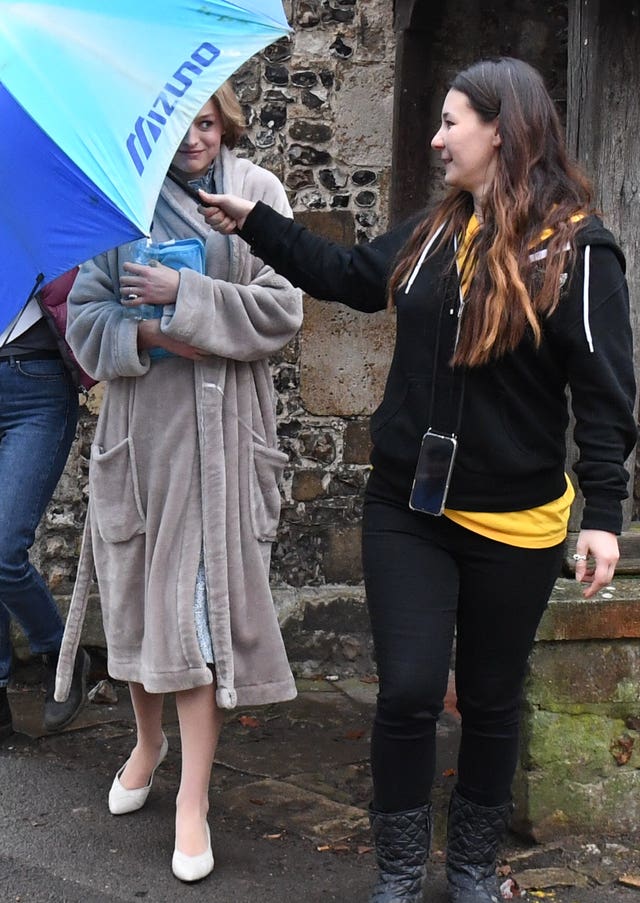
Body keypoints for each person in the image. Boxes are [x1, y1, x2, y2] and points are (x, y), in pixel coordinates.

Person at [198, 58, 637, 903]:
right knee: (404, 689)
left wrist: (604, 512)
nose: (435, 139)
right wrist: (256, 222)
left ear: (501, 129)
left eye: (450, 123)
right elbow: (353, 278)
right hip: (409, 504)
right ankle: (399, 872)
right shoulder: (438, 229)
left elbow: (606, 392)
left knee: (490, 695)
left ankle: (470, 867)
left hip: (517, 520)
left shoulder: (581, 251)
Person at [53, 81, 302, 884]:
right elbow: (85, 321)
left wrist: (185, 297)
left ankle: (191, 797)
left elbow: (283, 307)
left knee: (194, 618)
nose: (194, 138)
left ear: (223, 122)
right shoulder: (118, 207)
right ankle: (148, 742)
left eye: (206, 122)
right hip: (140, 439)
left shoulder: (258, 192)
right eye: (180, 124)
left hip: (224, 440)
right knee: (139, 607)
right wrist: (152, 331)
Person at [0, 269, 91, 740]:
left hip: (36, 386)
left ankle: (61, 652)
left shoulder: (49, 202)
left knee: (3, 551)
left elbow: (86, 284)